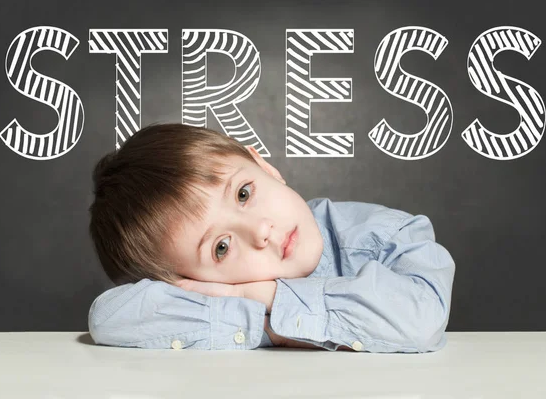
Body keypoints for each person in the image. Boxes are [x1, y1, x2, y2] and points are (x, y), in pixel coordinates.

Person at [87, 123, 456, 352]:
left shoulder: (386, 234)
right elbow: (109, 317)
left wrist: (255, 298)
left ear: (264, 166)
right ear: (194, 282)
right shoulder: (194, 285)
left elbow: (421, 319)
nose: (261, 231)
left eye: (243, 193)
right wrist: (275, 325)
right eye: (221, 247)